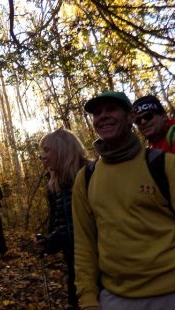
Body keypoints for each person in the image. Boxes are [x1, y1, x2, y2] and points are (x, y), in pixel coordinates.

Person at [72, 91, 175, 310]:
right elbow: (84, 244)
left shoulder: (164, 165)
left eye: (111, 109)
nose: (103, 116)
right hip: (115, 297)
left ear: (130, 117)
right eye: (97, 113)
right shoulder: (86, 178)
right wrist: (88, 298)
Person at [37, 128, 89, 309]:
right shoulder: (56, 183)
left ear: (62, 149)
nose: (42, 156)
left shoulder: (90, 173)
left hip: (98, 261)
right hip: (75, 260)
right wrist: (50, 240)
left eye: (46, 150)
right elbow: (62, 222)